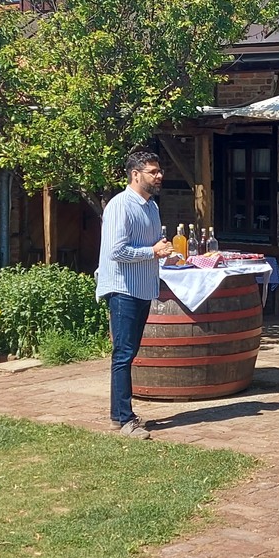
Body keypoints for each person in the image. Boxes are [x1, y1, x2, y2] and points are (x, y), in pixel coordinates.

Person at [94, 150, 173, 436]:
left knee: (129, 352)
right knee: (123, 354)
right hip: (122, 289)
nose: (159, 175)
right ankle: (125, 419)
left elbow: (151, 247)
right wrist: (152, 251)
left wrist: (161, 251)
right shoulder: (120, 205)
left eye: (159, 170)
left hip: (142, 287)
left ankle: (120, 414)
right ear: (135, 174)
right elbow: (116, 251)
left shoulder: (151, 206)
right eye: (153, 171)